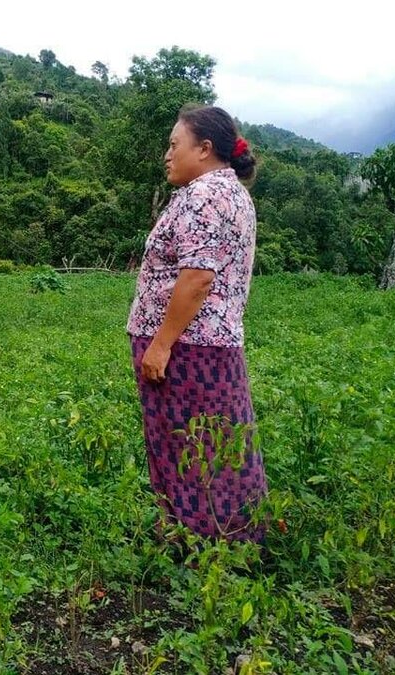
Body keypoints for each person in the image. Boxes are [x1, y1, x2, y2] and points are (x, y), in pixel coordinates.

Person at [126, 105, 268, 543]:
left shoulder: (206, 196)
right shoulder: (228, 193)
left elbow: (198, 278)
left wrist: (162, 344)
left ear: (205, 150)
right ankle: (229, 537)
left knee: (188, 446)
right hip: (208, 346)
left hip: (188, 351)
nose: (167, 155)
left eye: (175, 145)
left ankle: (198, 543)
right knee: (217, 443)